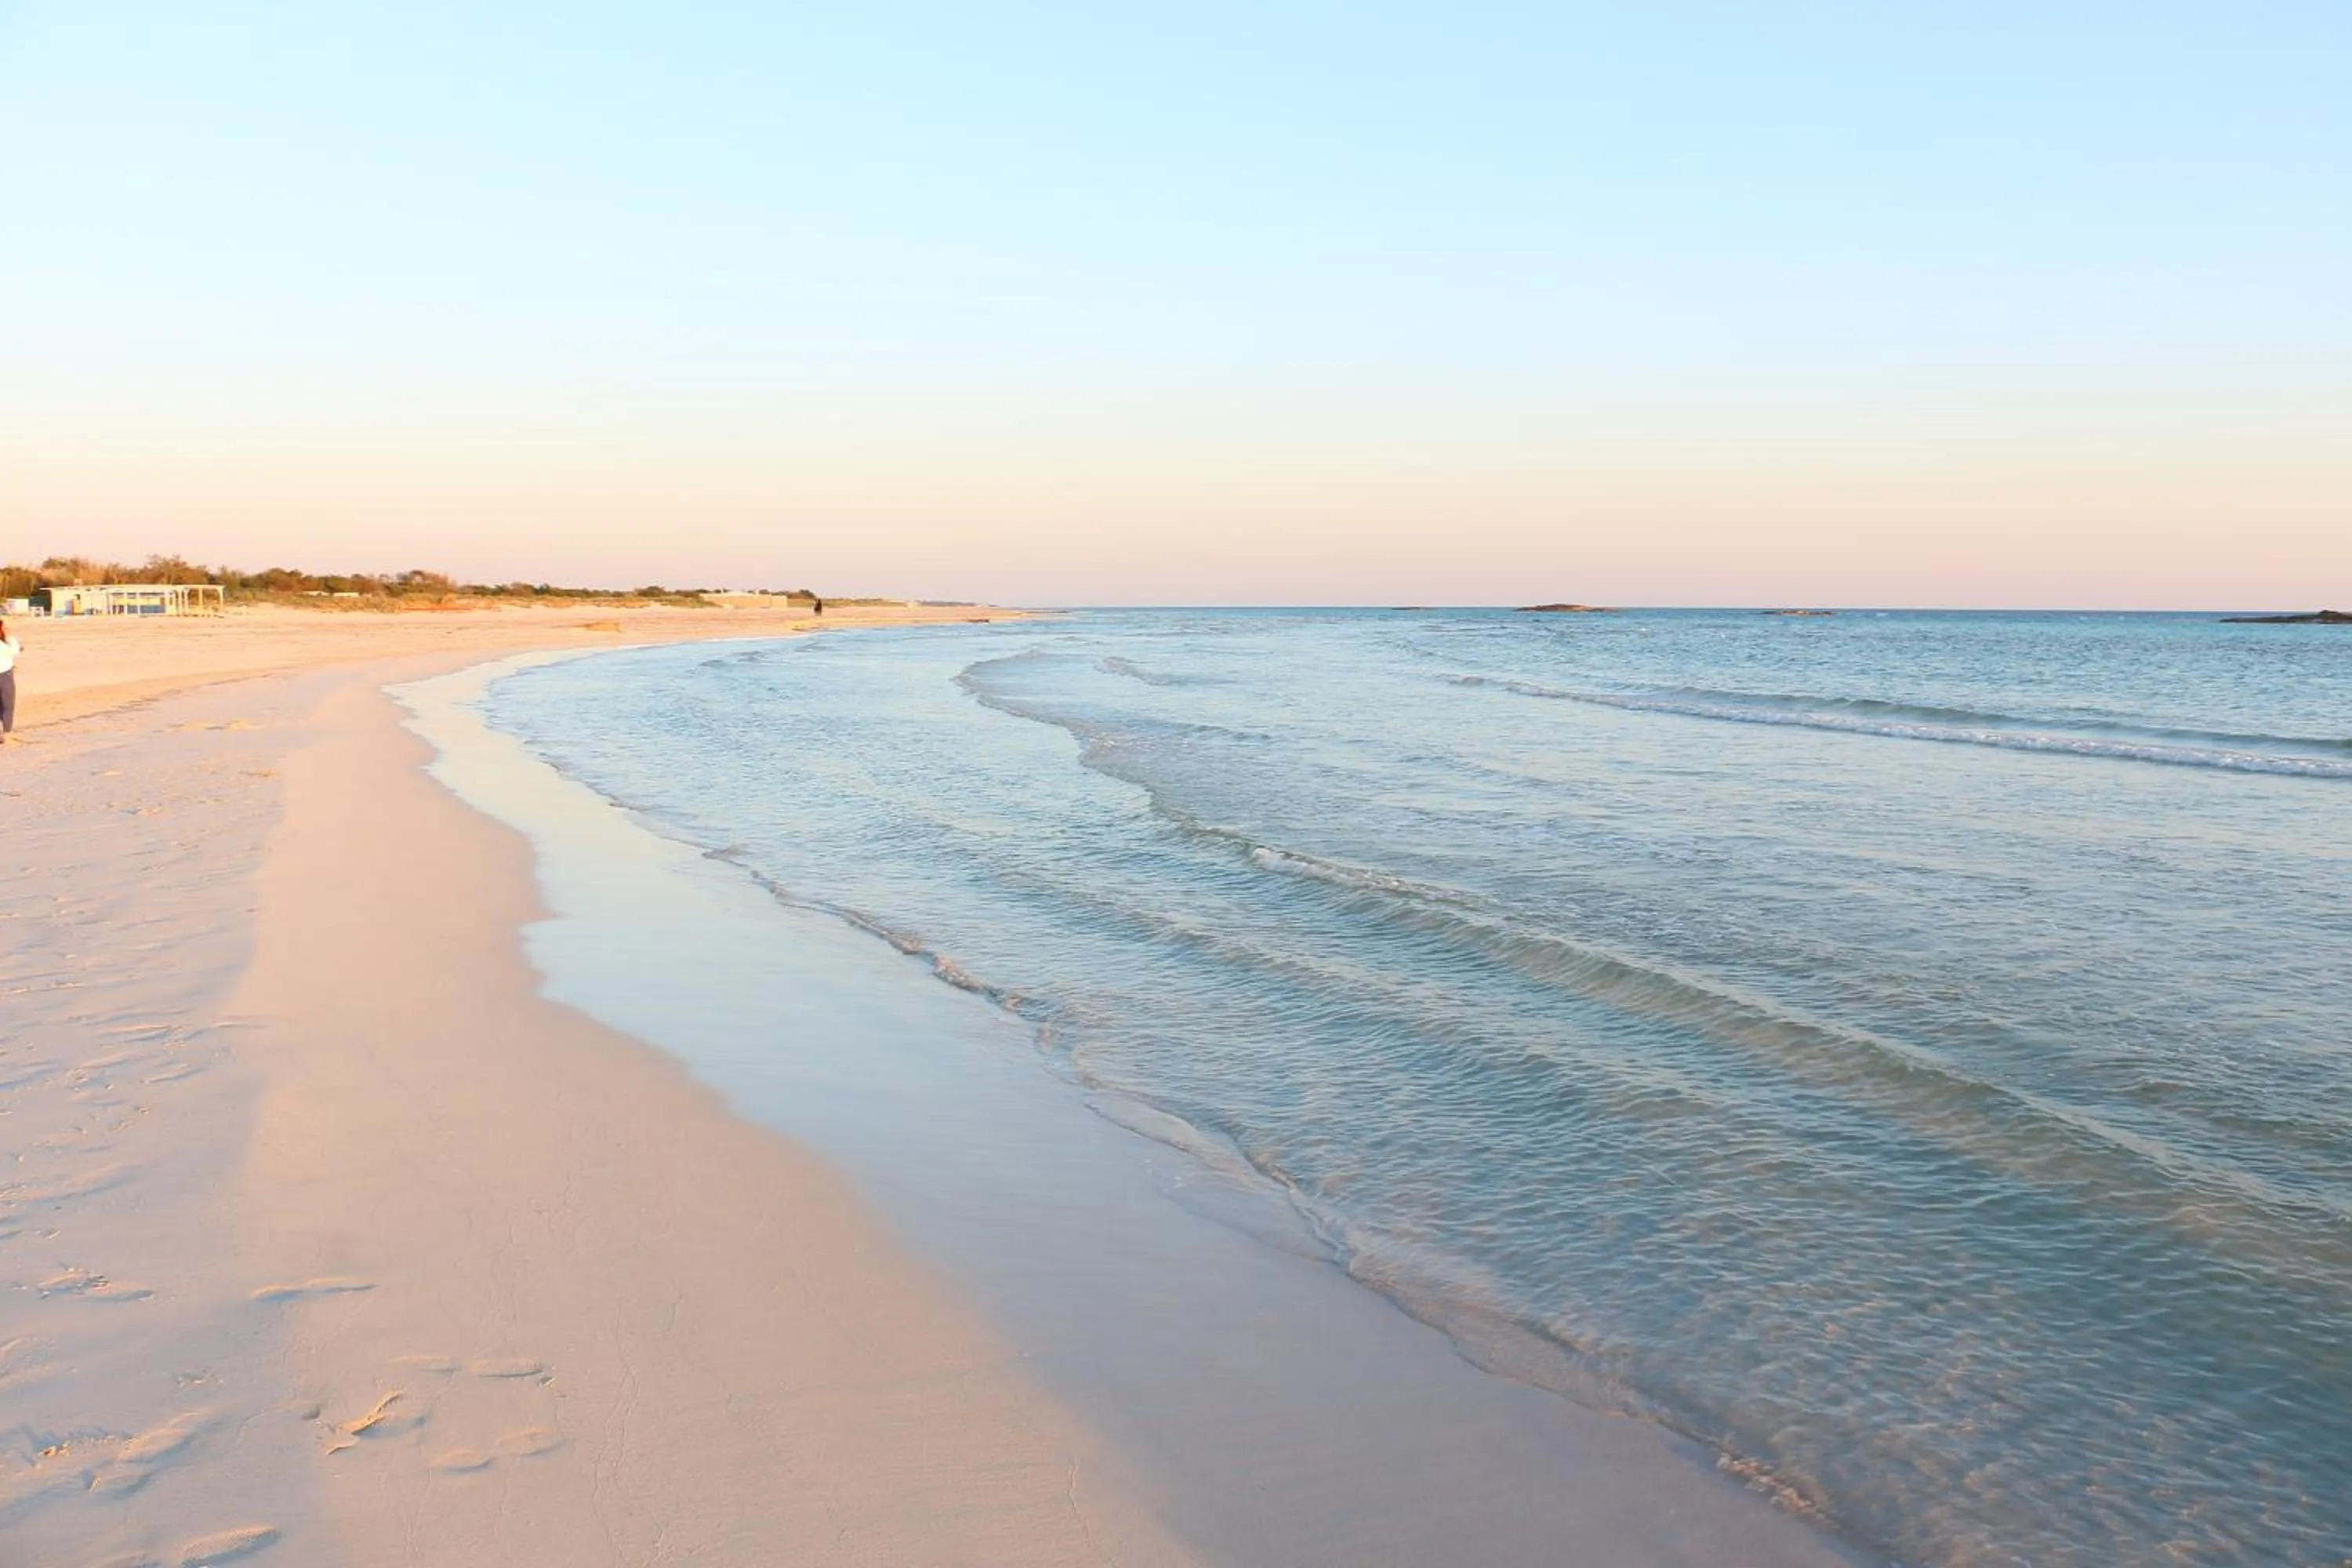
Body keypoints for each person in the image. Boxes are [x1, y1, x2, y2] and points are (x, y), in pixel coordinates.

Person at [0, 618, 19, 742]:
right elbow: (14, 651)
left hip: (5, 672)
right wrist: (10, 637)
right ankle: (7, 733)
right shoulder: (3, 644)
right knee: (7, 704)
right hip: (4, 674)